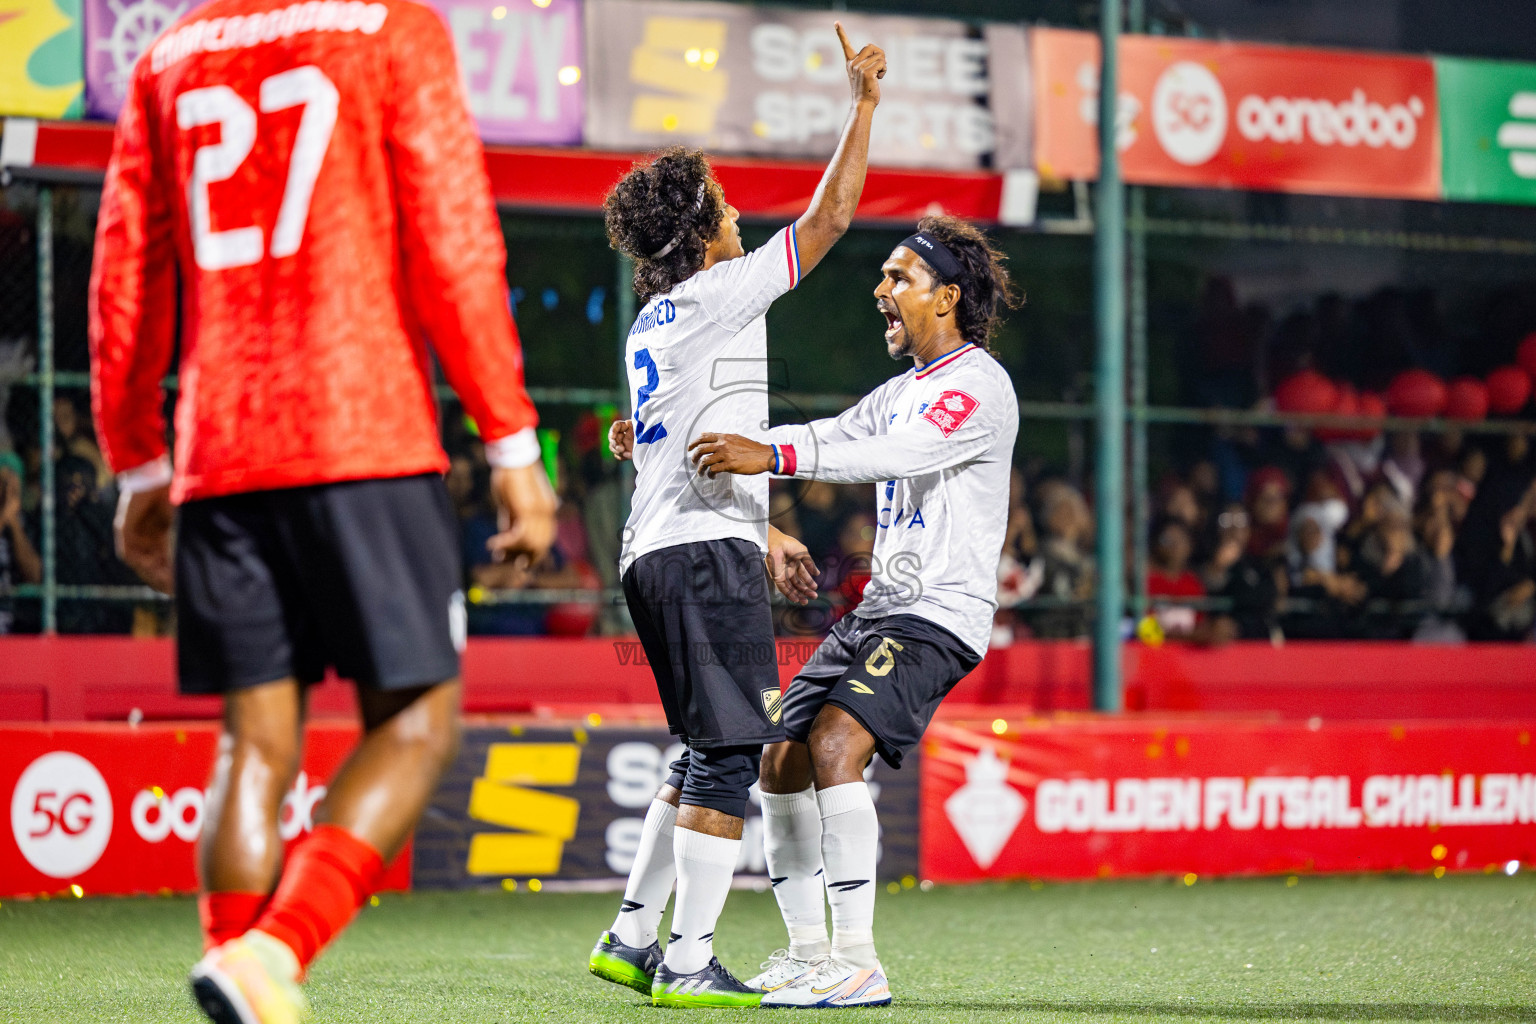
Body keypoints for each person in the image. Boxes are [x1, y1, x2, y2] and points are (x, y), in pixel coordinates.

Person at [87, 1, 558, 1019]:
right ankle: (274, 953)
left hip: (221, 450)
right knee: (421, 721)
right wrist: (512, 441)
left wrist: (135, 463)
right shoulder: (392, 27)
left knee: (251, 746)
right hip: (364, 434)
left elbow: (123, 272)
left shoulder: (169, 54)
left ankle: (235, 974)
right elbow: (454, 242)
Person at [586, 22, 885, 1010]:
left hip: (660, 548)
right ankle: (687, 958)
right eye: (721, 202)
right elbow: (833, 218)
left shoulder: (655, 317)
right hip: (699, 558)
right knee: (731, 753)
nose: (737, 212)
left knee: (700, 744)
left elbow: (663, 443)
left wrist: (758, 527)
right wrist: (864, 106)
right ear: (701, 230)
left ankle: (633, 938)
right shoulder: (721, 293)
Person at [685, 214, 1021, 1007]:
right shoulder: (905, 391)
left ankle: (859, 961)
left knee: (837, 743)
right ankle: (810, 954)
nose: (881, 290)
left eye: (899, 277)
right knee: (781, 758)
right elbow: (839, 431)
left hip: (938, 613)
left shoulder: (977, 385)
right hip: (880, 610)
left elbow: (887, 457)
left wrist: (768, 454)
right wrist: (695, 441)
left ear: (947, 297)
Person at [0, 451, 41, 634]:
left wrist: (14, 522)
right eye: (3, 482)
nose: (9, 488)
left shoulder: (28, 522)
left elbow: (35, 575)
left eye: (14, 479)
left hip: (17, 623)